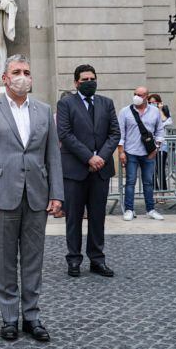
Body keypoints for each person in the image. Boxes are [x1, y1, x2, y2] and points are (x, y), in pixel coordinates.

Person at [0, 55, 63, 342]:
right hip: (2, 196)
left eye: (26, 71)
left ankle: (32, 316)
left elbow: (53, 155)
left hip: (36, 195)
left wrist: (57, 194)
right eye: (16, 72)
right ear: (5, 78)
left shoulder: (43, 110)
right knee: (6, 260)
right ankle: (9, 317)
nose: (23, 76)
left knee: (34, 259)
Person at [57, 65, 119, 278]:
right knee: (73, 217)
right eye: (85, 79)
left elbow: (114, 133)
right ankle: (73, 259)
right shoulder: (66, 103)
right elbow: (65, 134)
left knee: (97, 216)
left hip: (101, 170)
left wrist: (100, 156)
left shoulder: (106, 103)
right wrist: (88, 157)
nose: (89, 81)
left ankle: (97, 259)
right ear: (76, 83)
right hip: (75, 170)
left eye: (93, 78)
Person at [117, 86, 166, 221]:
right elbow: (120, 133)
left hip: (148, 153)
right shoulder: (125, 112)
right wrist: (121, 152)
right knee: (130, 181)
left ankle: (150, 209)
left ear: (146, 96)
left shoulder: (155, 111)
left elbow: (160, 131)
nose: (137, 97)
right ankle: (129, 209)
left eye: (140, 95)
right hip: (131, 151)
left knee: (148, 182)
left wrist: (156, 148)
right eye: (135, 94)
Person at [148, 93, 174, 190]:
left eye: (154, 102)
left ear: (159, 103)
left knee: (161, 169)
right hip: (150, 145)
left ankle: (163, 192)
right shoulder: (147, 112)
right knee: (152, 170)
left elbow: (168, 122)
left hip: (163, 145)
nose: (152, 104)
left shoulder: (165, 111)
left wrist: (159, 110)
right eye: (150, 102)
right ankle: (155, 192)